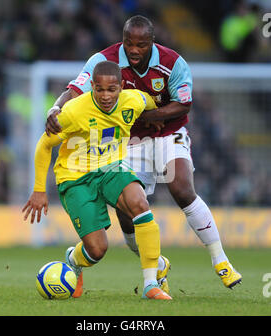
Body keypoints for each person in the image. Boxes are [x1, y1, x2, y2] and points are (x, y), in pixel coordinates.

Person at [46, 15, 242, 289]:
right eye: (129, 43)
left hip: (167, 133)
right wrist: (55, 108)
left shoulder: (173, 63)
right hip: (130, 140)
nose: (134, 50)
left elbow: (183, 104)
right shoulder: (104, 60)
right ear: (122, 40)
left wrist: (152, 116)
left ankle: (221, 261)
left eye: (141, 44)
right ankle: (156, 264)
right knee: (127, 211)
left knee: (182, 188)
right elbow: (74, 89)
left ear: (152, 41)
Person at [23, 61, 172, 300]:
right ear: (91, 86)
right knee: (97, 250)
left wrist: (152, 118)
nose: (105, 95)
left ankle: (150, 283)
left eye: (112, 89)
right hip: (76, 178)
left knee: (140, 204)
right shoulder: (74, 112)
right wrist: (39, 190)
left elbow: (149, 100)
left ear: (121, 87)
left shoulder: (132, 100)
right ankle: (74, 258)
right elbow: (44, 145)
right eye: (99, 89)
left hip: (112, 168)